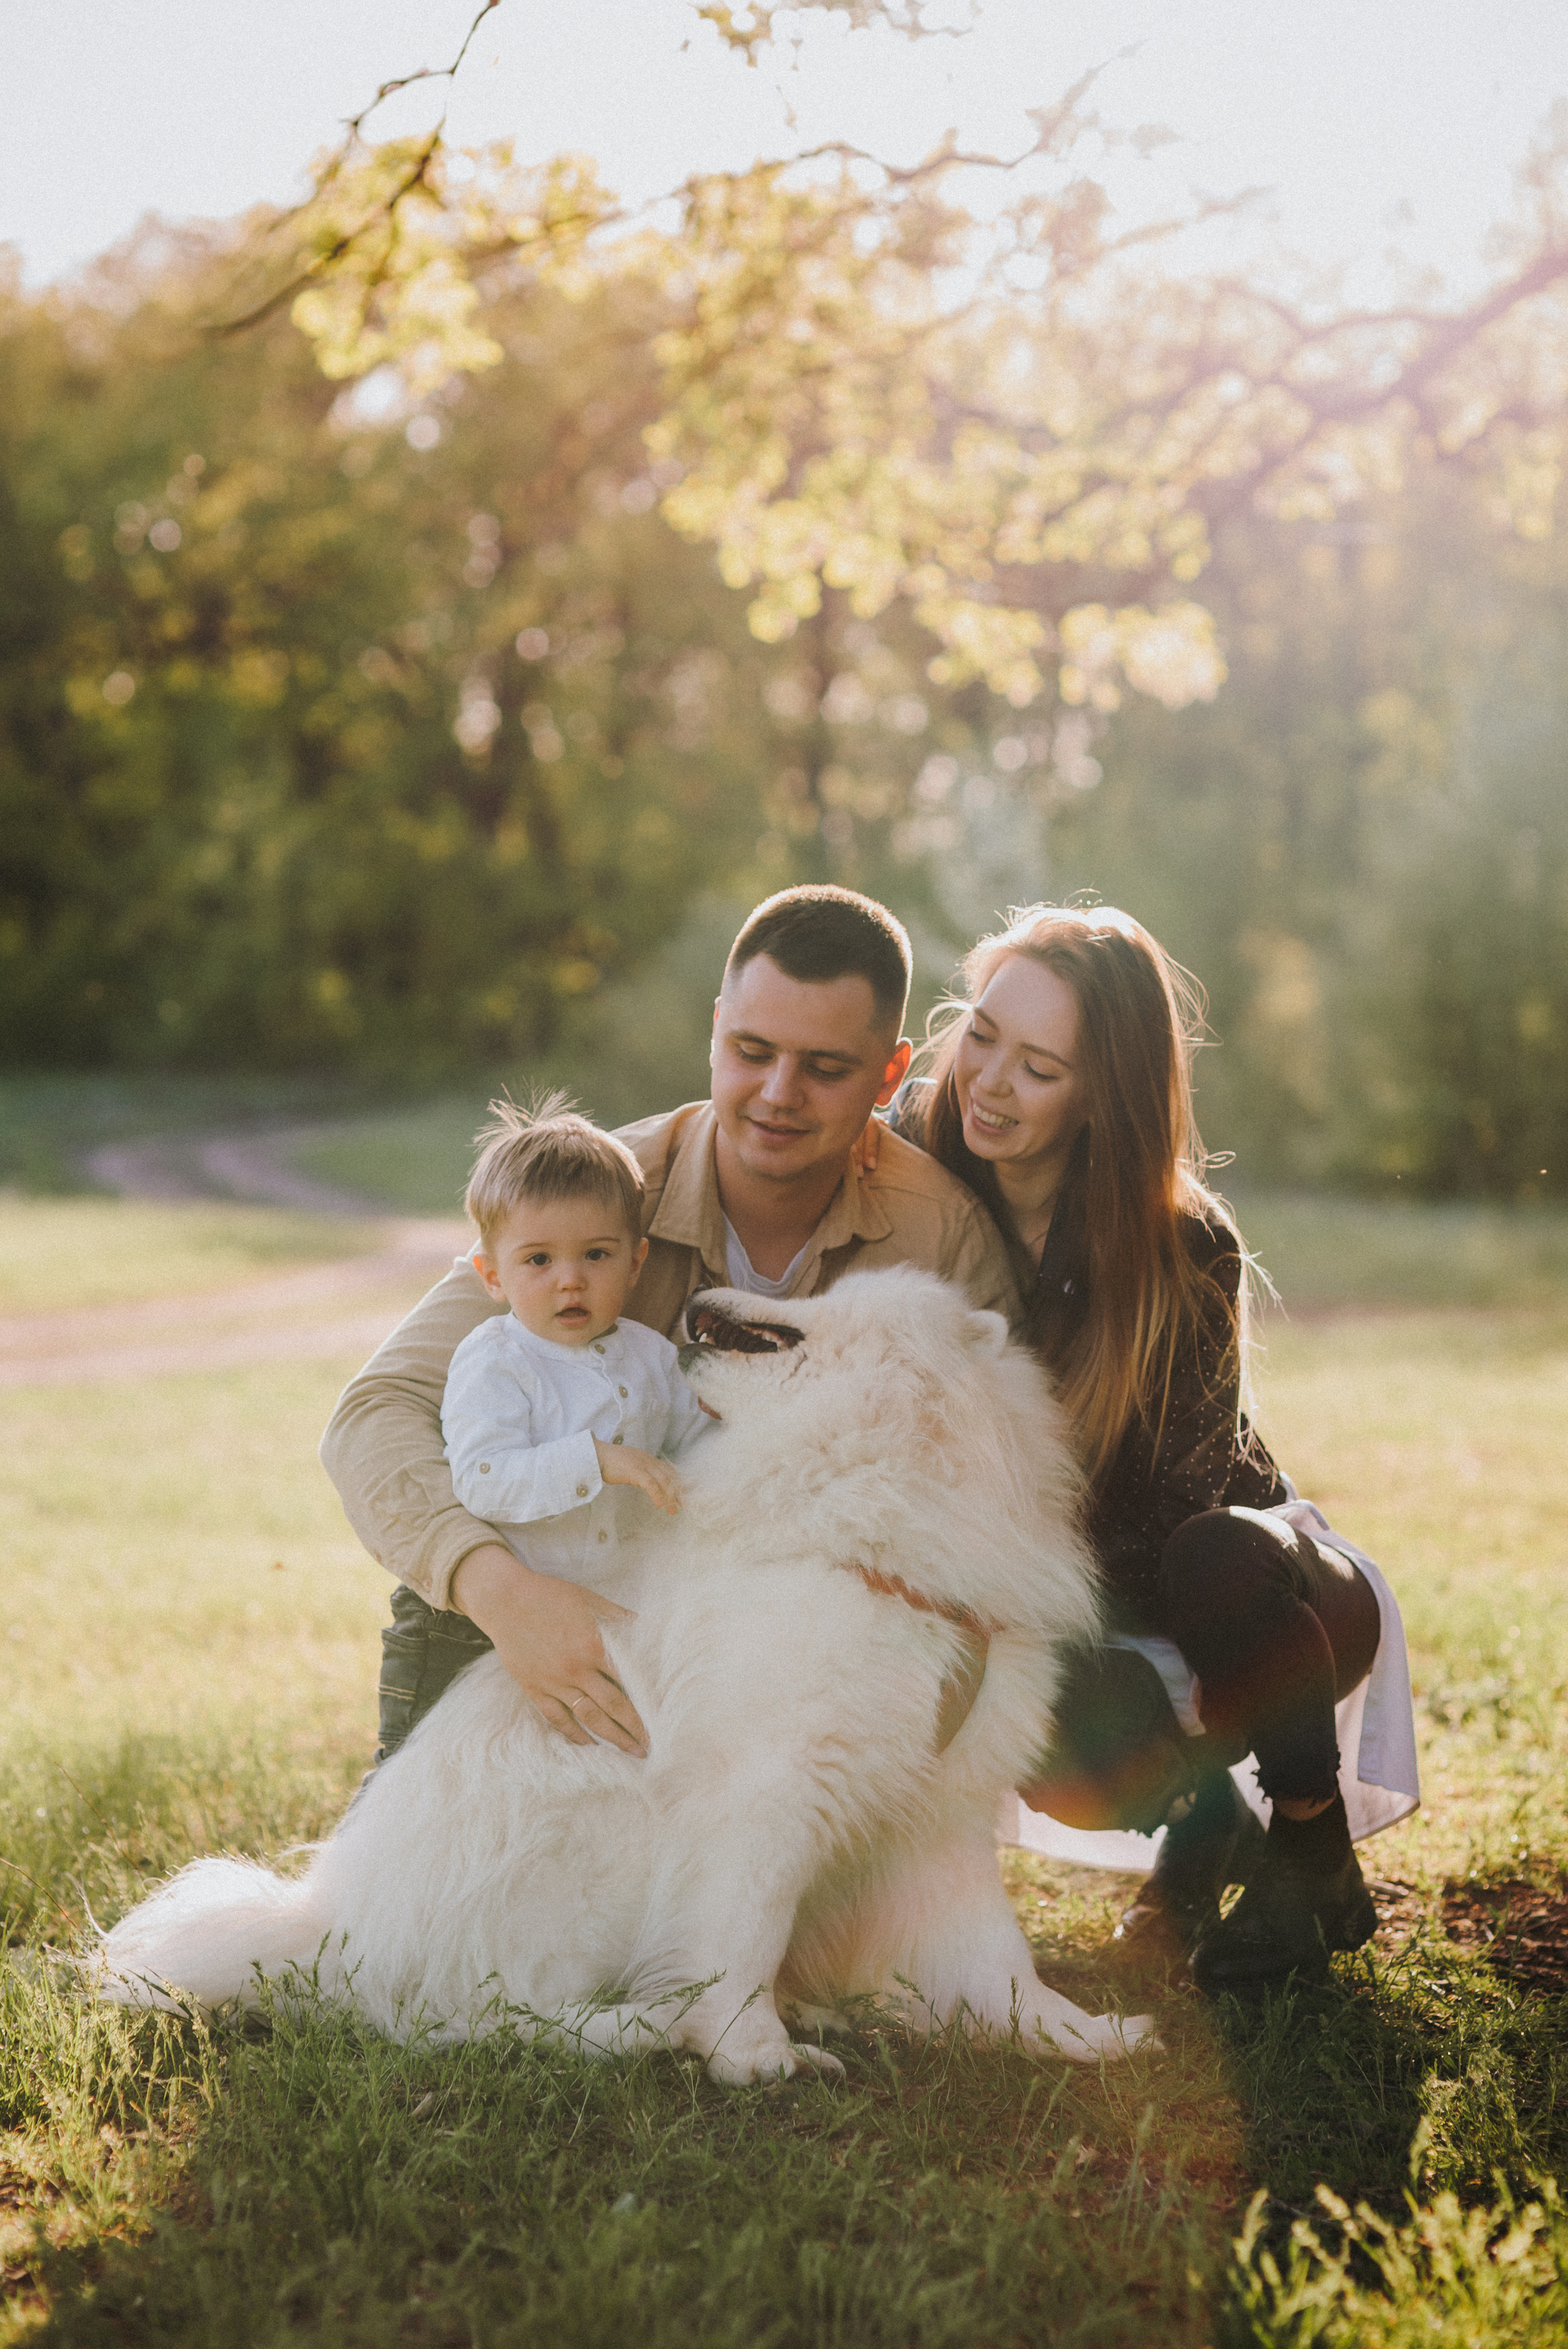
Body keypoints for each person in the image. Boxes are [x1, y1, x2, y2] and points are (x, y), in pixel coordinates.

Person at [320, 885, 1018, 1769]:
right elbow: (374, 1411)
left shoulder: (942, 1237)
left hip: (784, 1633)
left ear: (890, 1072)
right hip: (535, 1593)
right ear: (716, 1031)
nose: (778, 1094)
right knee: (423, 1854)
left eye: (826, 1068)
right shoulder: (594, 1195)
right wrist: (502, 1595)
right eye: (752, 1051)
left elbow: (989, 1496)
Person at [882, 902, 1415, 1991]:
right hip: (1072, 1594)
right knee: (1059, 1715)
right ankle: (1206, 1825)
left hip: (1245, 1595)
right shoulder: (905, 1167)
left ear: (1102, 1094)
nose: (989, 1082)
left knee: (1201, 1564)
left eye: (1039, 1067)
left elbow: (1179, 1507)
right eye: (981, 1035)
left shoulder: (1182, 1242)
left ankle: (1310, 1843)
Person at [439, 1099, 714, 1659]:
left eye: (595, 1255)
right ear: (493, 1276)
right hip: (516, 1628)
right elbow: (482, 1478)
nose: (571, 1280)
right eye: (539, 1260)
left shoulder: (653, 1355)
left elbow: (699, 1445)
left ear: (634, 1264)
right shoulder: (495, 1360)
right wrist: (597, 1461)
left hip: (637, 1604)